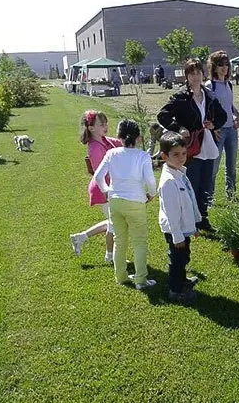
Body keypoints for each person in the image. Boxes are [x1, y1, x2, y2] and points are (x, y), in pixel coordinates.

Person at [157, 59, 227, 233]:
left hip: (207, 144)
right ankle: (190, 220)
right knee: (192, 184)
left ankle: (203, 219)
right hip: (190, 147)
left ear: (203, 74)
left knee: (206, 184)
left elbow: (223, 115)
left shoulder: (209, 94)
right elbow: (163, 115)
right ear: (186, 76)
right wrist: (179, 128)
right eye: (191, 73)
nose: (195, 77)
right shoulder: (181, 96)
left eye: (198, 73)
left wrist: (214, 124)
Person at [93, 119, 157, 290]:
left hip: (115, 201)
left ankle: (120, 276)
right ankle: (141, 280)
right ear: (137, 138)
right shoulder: (142, 156)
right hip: (136, 202)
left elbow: (98, 177)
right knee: (139, 242)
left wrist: (107, 191)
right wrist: (151, 194)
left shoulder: (111, 153)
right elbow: (150, 181)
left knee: (119, 240)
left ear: (119, 136)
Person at [70, 110, 122, 262]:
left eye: (106, 123)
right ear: (91, 128)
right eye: (101, 124)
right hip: (103, 189)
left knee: (114, 222)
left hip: (109, 187)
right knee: (115, 224)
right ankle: (110, 256)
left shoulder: (105, 140)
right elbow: (101, 173)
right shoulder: (95, 147)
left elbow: (121, 143)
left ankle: (81, 237)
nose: (105, 126)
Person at [157, 131, 201, 303]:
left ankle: (182, 281)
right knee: (177, 260)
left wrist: (194, 225)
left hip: (184, 228)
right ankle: (175, 290)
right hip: (176, 231)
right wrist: (177, 235)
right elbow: (172, 212)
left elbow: (189, 201)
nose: (181, 158)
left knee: (184, 257)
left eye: (183, 153)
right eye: (175, 155)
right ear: (164, 155)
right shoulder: (169, 182)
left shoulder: (180, 173)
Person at [204, 51, 239, 201]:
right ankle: (209, 198)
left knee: (231, 167)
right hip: (218, 131)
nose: (224, 68)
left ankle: (231, 195)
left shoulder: (228, 84)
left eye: (227, 64)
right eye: (220, 64)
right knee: (214, 166)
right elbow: (208, 108)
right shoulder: (209, 85)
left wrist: (238, 116)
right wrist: (214, 128)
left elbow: (228, 105)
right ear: (213, 67)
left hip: (231, 130)